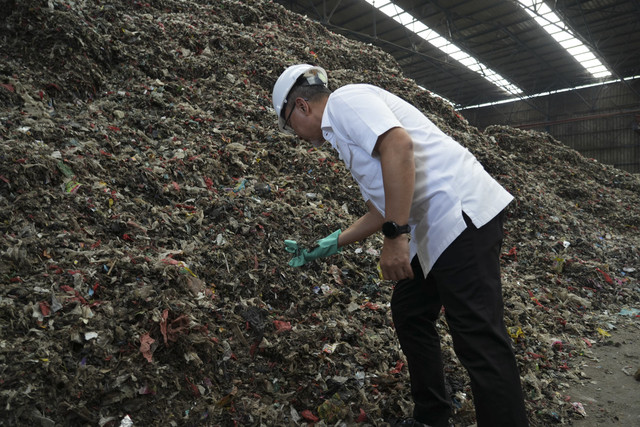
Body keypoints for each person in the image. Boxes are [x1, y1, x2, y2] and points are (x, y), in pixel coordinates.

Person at [272, 64, 529, 427]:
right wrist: (330, 243)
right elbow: (380, 207)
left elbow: (399, 145)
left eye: (287, 124)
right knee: (410, 310)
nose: (293, 134)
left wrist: (396, 236)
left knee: (479, 339)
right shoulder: (341, 132)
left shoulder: (346, 102)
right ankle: (432, 416)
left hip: (459, 213)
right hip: (435, 230)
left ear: (301, 106)